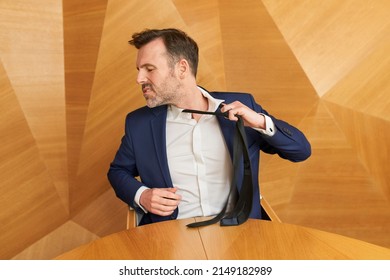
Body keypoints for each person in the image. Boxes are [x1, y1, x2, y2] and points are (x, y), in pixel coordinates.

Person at [107, 28, 311, 226]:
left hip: (241, 234)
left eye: (149, 69)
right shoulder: (139, 124)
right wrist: (142, 195)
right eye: (139, 70)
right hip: (169, 237)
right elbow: (118, 171)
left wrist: (259, 122)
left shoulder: (241, 106)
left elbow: (301, 151)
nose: (139, 79)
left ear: (182, 69)